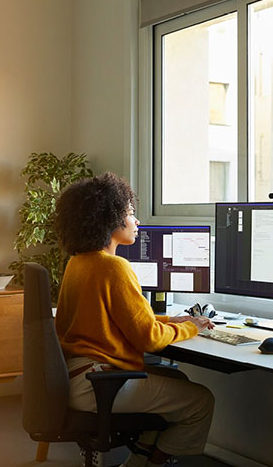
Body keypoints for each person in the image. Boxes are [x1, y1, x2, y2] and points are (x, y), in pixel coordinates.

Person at [54, 172, 215, 467]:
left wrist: (173, 320)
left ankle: (138, 460)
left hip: (78, 378)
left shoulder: (77, 263)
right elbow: (149, 339)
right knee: (201, 401)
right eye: (130, 212)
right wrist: (192, 327)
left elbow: (118, 317)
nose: (136, 220)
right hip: (100, 384)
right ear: (110, 219)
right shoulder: (115, 267)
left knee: (177, 379)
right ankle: (154, 462)